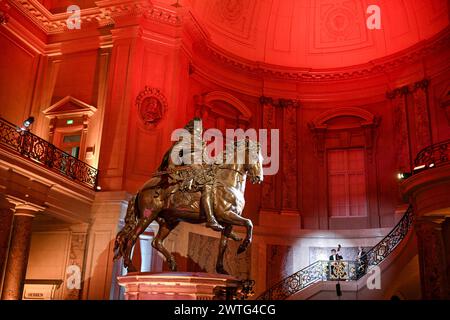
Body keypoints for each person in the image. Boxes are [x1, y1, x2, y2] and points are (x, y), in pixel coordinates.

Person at [158, 118, 224, 232]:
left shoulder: (202, 143)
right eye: (199, 127)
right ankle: (210, 218)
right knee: (207, 186)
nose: (201, 130)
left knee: (217, 184)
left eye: (202, 128)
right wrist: (172, 167)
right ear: (192, 128)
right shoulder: (185, 140)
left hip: (200, 171)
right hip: (188, 171)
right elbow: (174, 154)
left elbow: (207, 160)